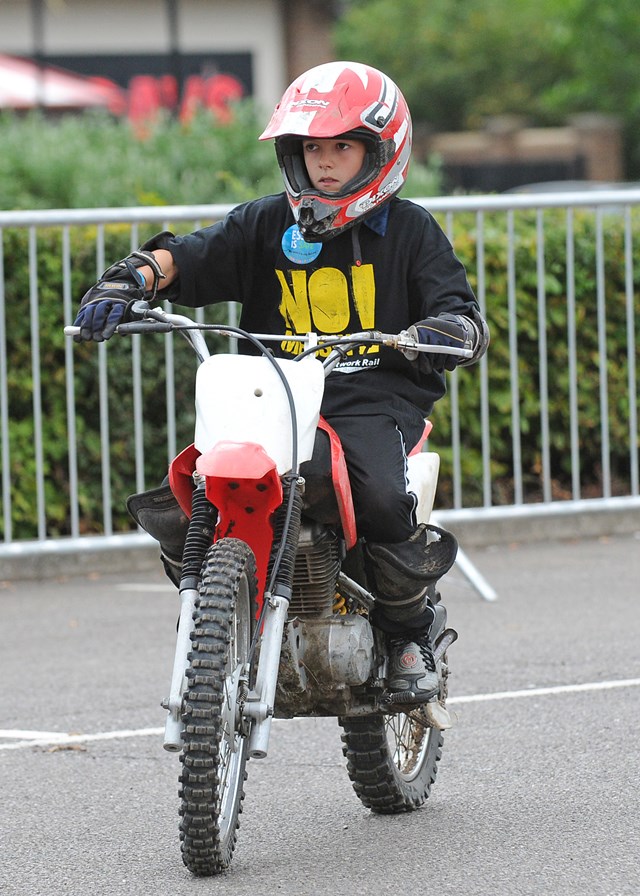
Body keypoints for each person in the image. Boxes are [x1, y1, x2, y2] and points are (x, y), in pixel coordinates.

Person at [73, 61, 489, 705]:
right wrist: (130, 280)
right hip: (271, 392)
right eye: (311, 149)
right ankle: (216, 611)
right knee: (190, 490)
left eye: (342, 147)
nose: (324, 163)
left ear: (381, 151)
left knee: (379, 497)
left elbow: (459, 310)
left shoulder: (411, 231)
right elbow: (187, 255)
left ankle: (407, 633)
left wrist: (451, 329)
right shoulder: (266, 224)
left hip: (370, 397)